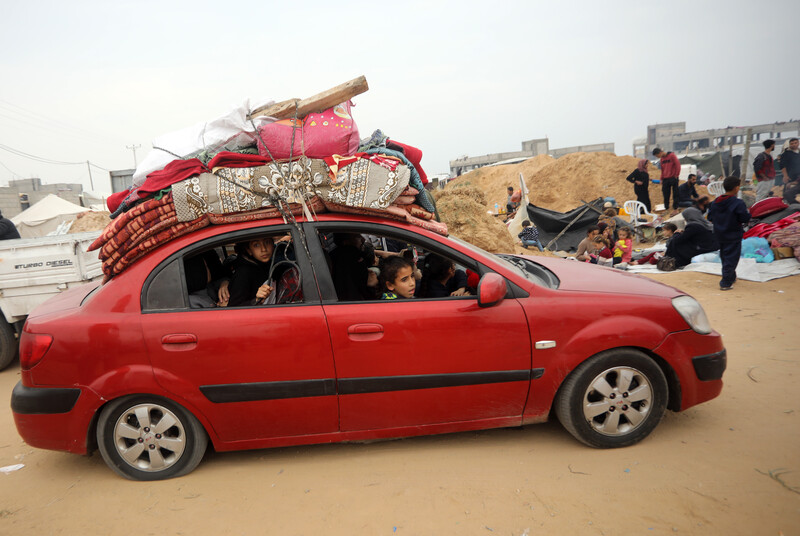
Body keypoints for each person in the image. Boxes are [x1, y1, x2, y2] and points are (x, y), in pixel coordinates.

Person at [708, 177, 751, 291]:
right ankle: (725, 282)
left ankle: (731, 276)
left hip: (719, 234)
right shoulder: (738, 203)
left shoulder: (715, 203)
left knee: (725, 256)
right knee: (731, 258)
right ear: (736, 188)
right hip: (733, 234)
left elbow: (710, 218)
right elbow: (744, 218)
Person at [227, 237, 276, 306]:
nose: (264, 249)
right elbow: (234, 309)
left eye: (267, 242)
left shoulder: (271, 265)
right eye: (256, 245)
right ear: (249, 250)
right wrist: (256, 300)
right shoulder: (243, 273)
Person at [330, 233, 378, 301]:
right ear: (345, 242)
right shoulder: (353, 256)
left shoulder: (333, 256)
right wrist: (373, 285)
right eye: (357, 237)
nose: (363, 239)